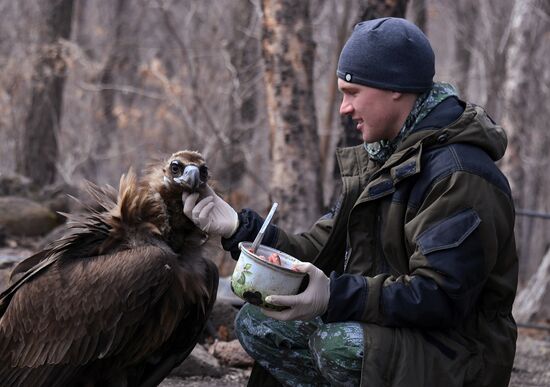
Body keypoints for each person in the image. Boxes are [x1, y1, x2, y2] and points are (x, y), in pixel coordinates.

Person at [182, 17, 518, 387]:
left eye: (353, 91)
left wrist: (334, 296)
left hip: (461, 355)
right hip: (398, 332)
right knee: (259, 321)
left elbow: (438, 296)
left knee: (340, 346)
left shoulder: (459, 175)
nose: (344, 107)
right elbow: (317, 249)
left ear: (395, 88)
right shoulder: (386, 158)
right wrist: (238, 228)